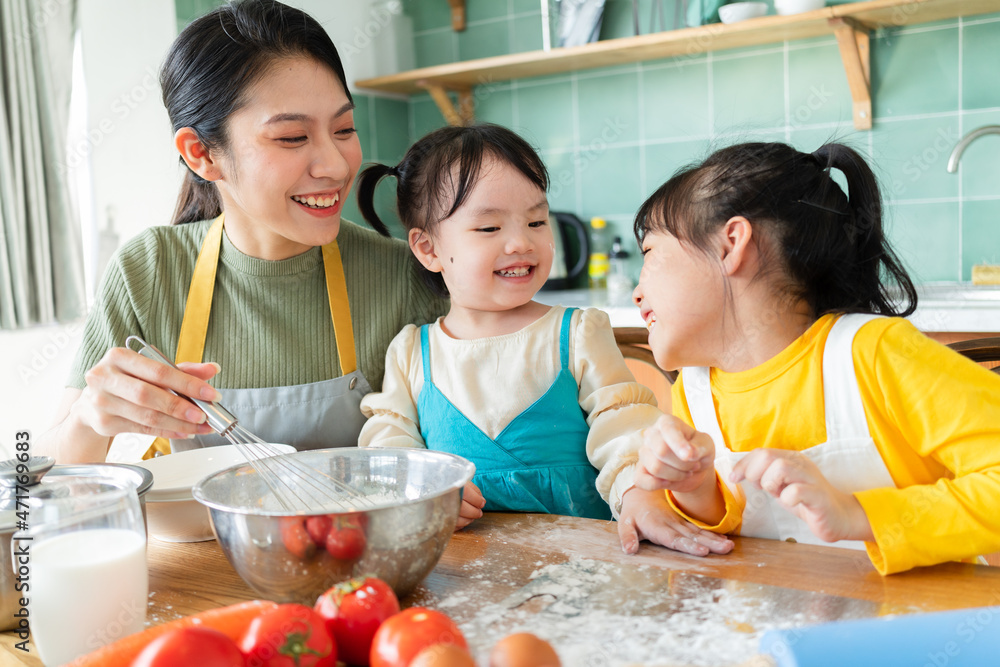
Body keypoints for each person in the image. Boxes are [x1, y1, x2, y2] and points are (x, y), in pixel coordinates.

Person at [37, 0, 447, 464]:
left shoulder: (402, 276)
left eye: (344, 128)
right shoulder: (148, 271)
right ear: (201, 154)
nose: (335, 165)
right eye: (292, 137)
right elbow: (43, 475)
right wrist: (88, 420)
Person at [625, 141, 1000, 574]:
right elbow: (722, 535)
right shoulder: (694, 389)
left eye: (650, 254)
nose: (637, 291)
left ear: (730, 244)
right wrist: (694, 490)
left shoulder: (874, 355)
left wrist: (856, 513)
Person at [353, 123, 729, 548]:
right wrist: (424, 487)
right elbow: (389, 440)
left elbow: (622, 424)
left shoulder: (578, 333)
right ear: (428, 249)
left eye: (536, 220)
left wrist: (639, 494)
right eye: (490, 228)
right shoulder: (411, 353)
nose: (521, 242)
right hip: (462, 567)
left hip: (583, 559)